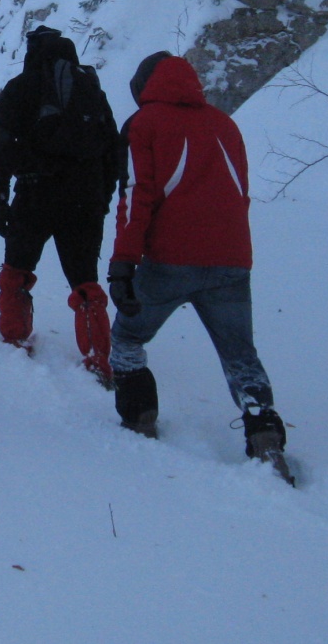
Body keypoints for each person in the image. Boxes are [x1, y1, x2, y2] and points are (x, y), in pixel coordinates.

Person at [105, 51, 288, 467]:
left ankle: (140, 420)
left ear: (143, 88)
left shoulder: (144, 124)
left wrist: (122, 264)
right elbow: (238, 191)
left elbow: (137, 196)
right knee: (240, 356)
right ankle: (265, 437)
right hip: (232, 259)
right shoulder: (225, 123)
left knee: (129, 339)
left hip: (170, 258)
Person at [0, 26, 122, 381]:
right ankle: (98, 358)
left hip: (35, 194)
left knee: (17, 270)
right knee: (85, 281)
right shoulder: (91, 90)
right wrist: (102, 198)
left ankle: (15, 338)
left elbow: (2, 147)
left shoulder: (21, 87)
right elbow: (112, 150)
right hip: (85, 198)